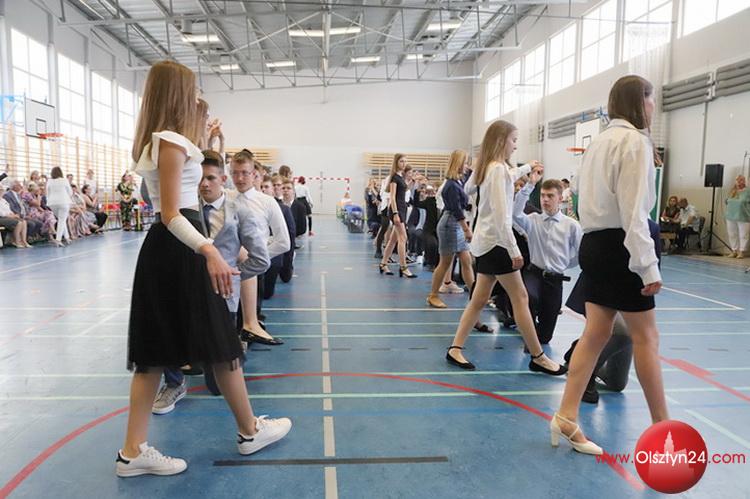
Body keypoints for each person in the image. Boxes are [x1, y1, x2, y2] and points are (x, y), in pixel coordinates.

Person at [117, 61, 291, 478]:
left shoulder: (163, 140)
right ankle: (249, 430)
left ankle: (132, 451)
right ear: (178, 93)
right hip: (183, 245)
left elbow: (181, 188)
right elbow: (172, 213)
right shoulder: (171, 142)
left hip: (171, 248)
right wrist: (209, 249)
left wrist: (210, 136)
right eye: (191, 90)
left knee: (159, 352)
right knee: (219, 340)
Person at [552, 75, 668, 456]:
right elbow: (634, 215)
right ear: (640, 101)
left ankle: (566, 416)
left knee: (596, 333)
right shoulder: (635, 142)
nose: (653, 106)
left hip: (595, 245)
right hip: (622, 248)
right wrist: (648, 267)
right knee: (646, 338)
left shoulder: (598, 143)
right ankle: (663, 433)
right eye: (651, 99)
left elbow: (582, 199)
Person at [154, 150, 271, 411]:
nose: (204, 184)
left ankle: (228, 359)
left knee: (217, 383)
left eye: (211, 178)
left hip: (222, 296)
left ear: (223, 179)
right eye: (200, 178)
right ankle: (174, 383)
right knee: (168, 333)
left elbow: (261, 260)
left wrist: (233, 275)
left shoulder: (240, 211)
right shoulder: (181, 211)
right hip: (185, 291)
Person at [445, 120, 565, 375]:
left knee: (479, 299)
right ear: (501, 141)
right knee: (520, 298)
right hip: (498, 245)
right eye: (514, 140)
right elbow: (502, 217)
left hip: (485, 244)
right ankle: (538, 356)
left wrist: (526, 170)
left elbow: (475, 186)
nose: (516, 145)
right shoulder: (497, 169)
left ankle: (455, 348)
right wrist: (514, 250)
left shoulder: (489, 168)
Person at [229, 151, 290, 346]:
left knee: (247, 322)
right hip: (226, 269)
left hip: (253, 271)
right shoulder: (225, 198)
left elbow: (283, 242)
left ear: (254, 174)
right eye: (235, 173)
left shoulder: (267, 202)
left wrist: (257, 257)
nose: (239, 178)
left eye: (244, 173)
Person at [512, 175, 582, 345]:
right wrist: (530, 185)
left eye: (550, 196)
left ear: (560, 198)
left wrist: (564, 264)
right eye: (543, 195)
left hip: (555, 279)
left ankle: (537, 336)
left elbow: (580, 253)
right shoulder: (532, 220)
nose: (545, 199)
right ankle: (530, 335)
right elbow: (515, 213)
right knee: (527, 298)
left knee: (545, 336)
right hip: (534, 274)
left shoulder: (571, 225)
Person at [427, 150, 475, 308]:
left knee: (466, 260)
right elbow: (456, 210)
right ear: (459, 163)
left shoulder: (458, 181)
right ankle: (433, 295)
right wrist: (466, 229)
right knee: (445, 263)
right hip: (450, 224)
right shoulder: (451, 185)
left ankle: (475, 295)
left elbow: (473, 178)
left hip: (456, 224)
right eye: (465, 163)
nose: (467, 166)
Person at [379, 154, 416, 278]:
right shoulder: (395, 177)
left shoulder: (400, 177)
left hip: (402, 209)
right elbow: (393, 197)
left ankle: (383, 264)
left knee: (393, 240)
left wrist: (411, 182)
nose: (404, 163)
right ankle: (403, 267)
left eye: (405, 161)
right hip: (397, 210)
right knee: (403, 238)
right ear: (396, 162)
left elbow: (403, 192)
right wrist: (395, 213)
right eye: (401, 161)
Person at [46, 167, 73, 246]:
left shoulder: (49, 181)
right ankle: (58, 240)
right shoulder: (64, 180)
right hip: (63, 202)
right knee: (62, 220)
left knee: (61, 219)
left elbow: (48, 192)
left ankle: (67, 237)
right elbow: (70, 192)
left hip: (52, 203)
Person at [725, 174, 749, 258]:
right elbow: (727, 201)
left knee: (743, 235)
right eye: (737, 180)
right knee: (732, 234)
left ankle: (741, 252)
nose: (739, 181)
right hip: (730, 216)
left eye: (741, 180)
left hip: (743, 216)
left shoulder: (748, 191)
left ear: (744, 181)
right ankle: (734, 251)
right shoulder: (732, 191)